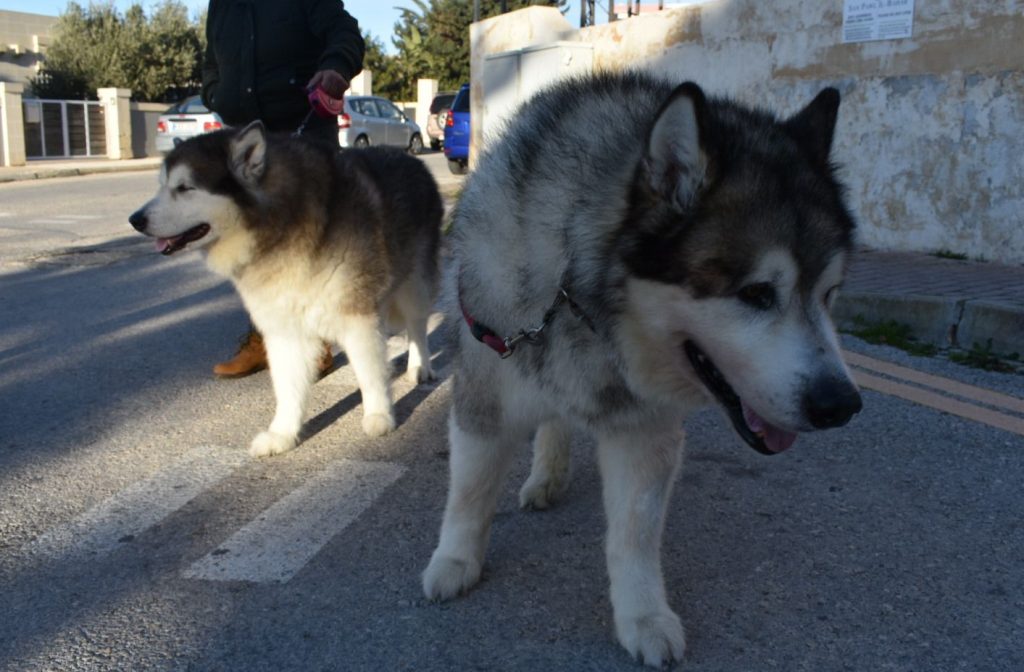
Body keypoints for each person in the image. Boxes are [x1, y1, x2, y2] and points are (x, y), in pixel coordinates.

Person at [202, 0, 365, 378]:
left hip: (302, 133)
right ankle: (264, 336)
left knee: (306, 244)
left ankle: (318, 340)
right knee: (251, 244)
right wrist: (217, 93)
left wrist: (335, 67)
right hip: (245, 139)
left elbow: (345, 32)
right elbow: (211, 60)